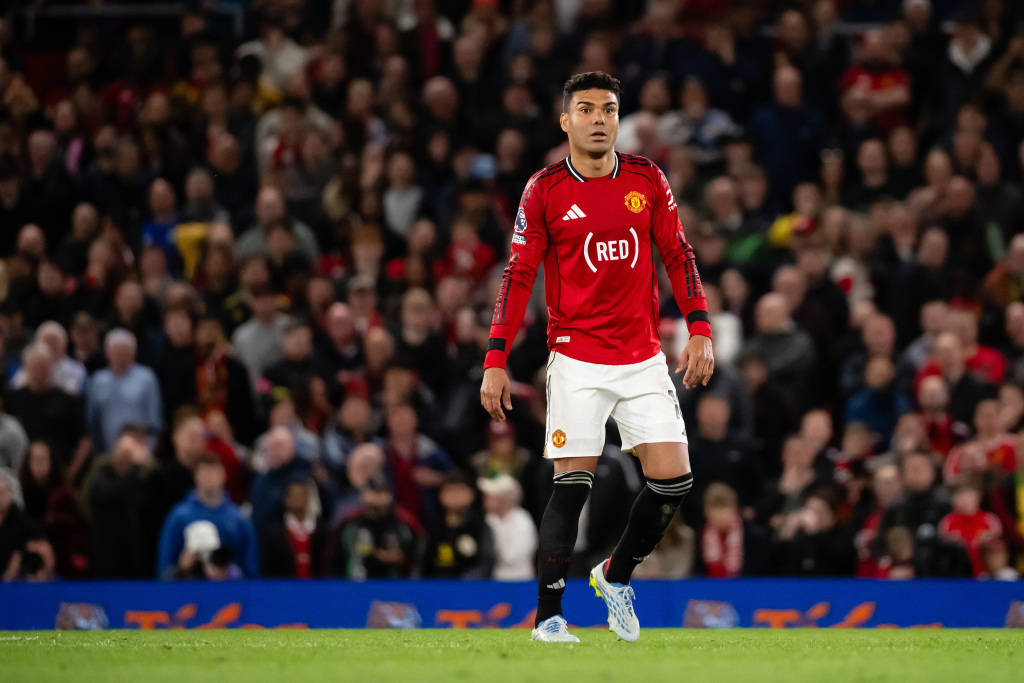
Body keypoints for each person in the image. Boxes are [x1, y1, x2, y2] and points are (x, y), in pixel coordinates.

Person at [479, 72, 714, 643]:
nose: (599, 119)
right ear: (566, 121)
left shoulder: (646, 178)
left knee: (675, 480)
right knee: (572, 483)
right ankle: (548, 618)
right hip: (576, 357)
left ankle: (615, 575)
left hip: (642, 355)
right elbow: (518, 274)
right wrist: (495, 356)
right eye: (585, 109)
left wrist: (700, 327)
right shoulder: (544, 190)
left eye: (608, 109)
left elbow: (678, 253)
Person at [157, 453, 259, 578]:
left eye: (213, 472)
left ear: (223, 475)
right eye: (204, 473)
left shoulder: (238, 518)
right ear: (195, 476)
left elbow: (251, 569)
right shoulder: (179, 516)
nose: (209, 478)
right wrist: (182, 568)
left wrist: (231, 572)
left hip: (229, 587)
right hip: (189, 586)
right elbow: (164, 569)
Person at [85, 329, 164, 453]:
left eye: (125, 351)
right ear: (107, 353)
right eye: (116, 351)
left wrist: (148, 450)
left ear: (133, 353)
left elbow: (155, 419)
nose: (120, 355)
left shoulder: (146, 378)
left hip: (141, 450)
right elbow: (92, 421)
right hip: (107, 452)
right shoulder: (98, 380)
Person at [480, 475, 537, 580]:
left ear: (503, 499)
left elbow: (512, 556)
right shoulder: (490, 519)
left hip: (518, 580)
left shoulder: (522, 520)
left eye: (489, 496)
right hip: (492, 579)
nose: (484, 499)